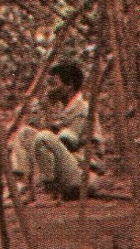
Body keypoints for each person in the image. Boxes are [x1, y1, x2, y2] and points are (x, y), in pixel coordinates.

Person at [11, 60, 97, 200]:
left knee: (44, 137)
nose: (51, 89)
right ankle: (25, 187)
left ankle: (49, 192)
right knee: (25, 133)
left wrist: (50, 128)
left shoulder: (83, 109)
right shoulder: (65, 109)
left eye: (55, 84)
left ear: (69, 85)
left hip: (82, 173)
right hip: (68, 167)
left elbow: (68, 142)